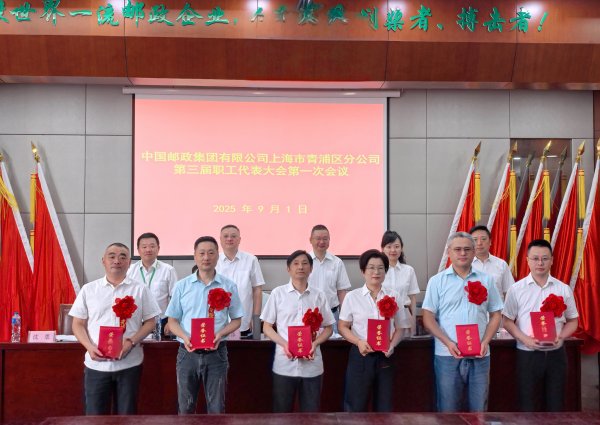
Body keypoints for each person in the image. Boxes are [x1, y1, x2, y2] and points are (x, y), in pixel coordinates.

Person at [69, 243, 161, 415]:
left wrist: (131, 342)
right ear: (103, 261)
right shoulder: (89, 289)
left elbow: (151, 322)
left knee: (126, 417)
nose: (117, 260)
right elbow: (77, 323)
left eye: (122, 257)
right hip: (96, 365)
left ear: (129, 263)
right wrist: (89, 347)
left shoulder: (140, 289)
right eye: (111, 256)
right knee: (95, 417)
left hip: (130, 364)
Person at [422, 232, 503, 412]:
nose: (463, 253)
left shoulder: (486, 280)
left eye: (467, 249)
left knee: (479, 409)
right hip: (447, 355)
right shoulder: (437, 281)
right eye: (457, 249)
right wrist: (448, 342)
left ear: (474, 252)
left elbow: (496, 314)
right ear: (449, 252)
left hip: (480, 354)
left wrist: (485, 341)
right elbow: (428, 318)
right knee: (448, 409)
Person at [166, 236, 244, 414]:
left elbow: (237, 320)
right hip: (187, 353)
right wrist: (185, 337)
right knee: (185, 408)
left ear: (217, 255)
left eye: (211, 253)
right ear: (195, 256)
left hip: (217, 353)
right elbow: (172, 321)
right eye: (201, 253)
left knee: (216, 408)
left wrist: (220, 334)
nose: (206, 257)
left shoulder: (228, 286)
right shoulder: (182, 286)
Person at [502, 239, 578, 412]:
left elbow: (573, 321)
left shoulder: (563, 289)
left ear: (552, 260)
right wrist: (525, 339)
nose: (540, 263)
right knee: (527, 405)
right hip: (527, 354)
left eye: (545, 258)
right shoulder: (516, 289)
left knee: (556, 405)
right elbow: (507, 321)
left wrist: (561, 336)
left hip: (556, 354)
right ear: (527, 260)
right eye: (535, 258)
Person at [260, 250, 335, 412]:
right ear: (288, 269)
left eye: (305, 263)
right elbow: (267, 327)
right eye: (296, 263)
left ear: (311, 268)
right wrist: (284, 344)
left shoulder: (319, 295)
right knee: (281, 414)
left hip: (312, 366)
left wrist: (315, 343)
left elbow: (329, 327)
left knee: (311, 415)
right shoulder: (278, 294)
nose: (300, 267)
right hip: (284, 365)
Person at [338, 249, 410, 412]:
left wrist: (392, 345)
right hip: (361, 355)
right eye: (371, 267)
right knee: (355, 405)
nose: (376, 272)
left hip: (385, 355)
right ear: (363, 271)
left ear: (386, 271)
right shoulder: (353, 297)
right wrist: (358, 342)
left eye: (380, 268)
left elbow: (401, 328)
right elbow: (342, 326)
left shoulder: (394, 296)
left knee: (384, 406)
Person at [217, 224, 265, 338]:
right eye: (226, 236)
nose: (229, 239)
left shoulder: (251, 259)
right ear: (220, 240)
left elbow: (257, 290)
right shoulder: (214, 260)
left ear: (239, 240)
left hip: (244, 321)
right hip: (218, 322)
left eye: (233, 236)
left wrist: (255, 318)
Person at [127, 232, 178, 336]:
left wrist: (171, 321)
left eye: (152, 246)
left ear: (158, 248)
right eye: (144, 247)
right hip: (135, 322)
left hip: (161, 322)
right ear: (138, 250)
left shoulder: (168, 270)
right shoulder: (130, 270)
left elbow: (175, 298)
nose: (148, 250)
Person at [308, 224, 351, 335]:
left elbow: (341, 292)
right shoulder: (303, 262)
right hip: (308, 315)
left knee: (333, 344)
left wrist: (344, 316)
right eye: (318, 238)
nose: (322, 242)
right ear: (310, 240)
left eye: (325, 239)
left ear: (329, 240)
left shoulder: (337, 262)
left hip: (332, 315)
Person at [381, 230, 420, 336]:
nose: (393, 250)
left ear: (401, 248)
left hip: (404, 316)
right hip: (383, 317)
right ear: (383, 248)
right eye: (389, 247)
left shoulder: (409, 270)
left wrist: (413, 322)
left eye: (396, 246)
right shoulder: (378, 271)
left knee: (405, 345)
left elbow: (412, 299)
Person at [469, 225, 515, 300]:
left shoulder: (501, 264)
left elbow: (509, 292)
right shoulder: (464, 265)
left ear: (490, 242)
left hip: (498, 307)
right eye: (475, 240)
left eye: (483, 239)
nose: (479, 243)